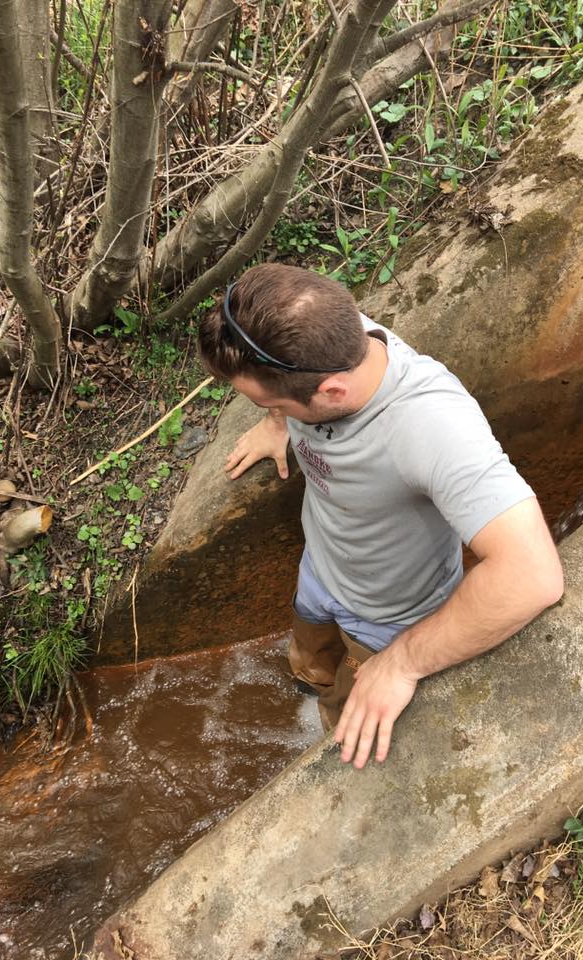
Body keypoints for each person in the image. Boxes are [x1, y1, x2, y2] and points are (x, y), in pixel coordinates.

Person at [197, 263, 564, 770]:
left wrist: (404, 662)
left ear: (331, 394)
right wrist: (275, 419)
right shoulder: (325, 335)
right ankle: (312, 680)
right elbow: (284, 377)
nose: (264, 406)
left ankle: (325, 732)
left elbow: (532, 575)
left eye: (266, 400)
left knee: (345, 719)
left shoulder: (433, 427)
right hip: (321, 573)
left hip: (385, 622)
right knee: (310, 662)